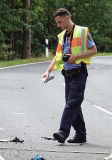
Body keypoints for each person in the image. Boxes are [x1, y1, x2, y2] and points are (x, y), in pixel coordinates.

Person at [42, 8, 97, 144]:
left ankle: (63, 132)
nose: (58, 25)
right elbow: (58, 56)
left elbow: (94, 50)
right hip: (67, 75)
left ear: (67, 18)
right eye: (57, 23)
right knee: (73, 104)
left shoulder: (83, 32)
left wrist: (76, 57)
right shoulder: (62, 36)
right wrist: (48, 70)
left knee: (72, 103)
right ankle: (81, 135)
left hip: (79, 73)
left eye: (59, 22)